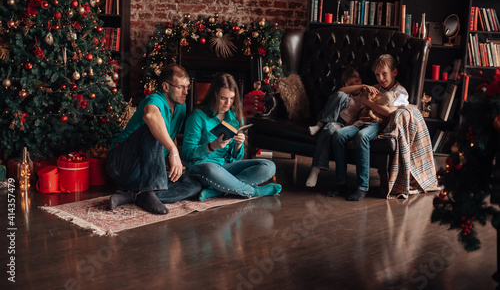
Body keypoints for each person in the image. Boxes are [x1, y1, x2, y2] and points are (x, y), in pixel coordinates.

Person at [106, 63, 202, 214]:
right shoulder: (154, 99)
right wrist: (173, 151)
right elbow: (150, 116)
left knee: (193, 186)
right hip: (121, 163)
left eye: (187, 87)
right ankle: (148, 191)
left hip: (143, 172)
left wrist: (172, 163)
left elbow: (171, 135)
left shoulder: (180, 107)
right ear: (165, 87)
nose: (186, 92)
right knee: (152, 126)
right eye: (180, 87)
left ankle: (135, 195)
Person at [182, 73, 281, 201]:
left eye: (232, 98)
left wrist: (238, 145)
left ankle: (217, 191)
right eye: (223, 98)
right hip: (203, 168)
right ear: (214, 95)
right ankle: (254, 191)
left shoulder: (234, 117)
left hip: (226, 167)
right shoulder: (198, 116)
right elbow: (186, 153)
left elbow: (235, 158)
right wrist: (211, 147)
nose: (228, 103)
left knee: (269, 166)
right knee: (210, 168)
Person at [331, 54, 409, 201]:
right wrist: (353, 119)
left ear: (394, 72)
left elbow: (387, 111)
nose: (381, 78)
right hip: (361, 121)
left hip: (380, 124)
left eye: (384, 73)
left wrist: (368, 102)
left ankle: (362, 187)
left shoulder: (400, 92)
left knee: (362, 136)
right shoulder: (373, 88)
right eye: (377, 75)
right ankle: (341, 183)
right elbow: (361, 108)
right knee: (338, 135)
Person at [305, 66, 369, 188]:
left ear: (361, 79)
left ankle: (315, 169)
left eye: (357, 81)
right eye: (351, 83)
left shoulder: (365, 95)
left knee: (329, 129)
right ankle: (319, 125)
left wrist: (355, 124)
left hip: (343, 124)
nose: (355, 85)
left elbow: (366, 115)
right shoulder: (347, 93)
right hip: (333, 116)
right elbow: (342, 90)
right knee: (340, 95)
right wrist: (361, 86)